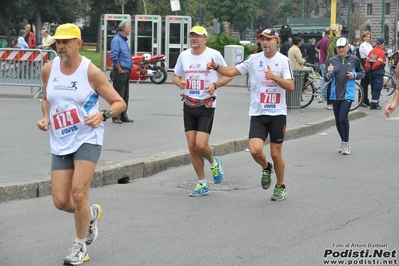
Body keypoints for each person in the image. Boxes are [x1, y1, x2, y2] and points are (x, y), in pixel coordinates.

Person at [36, 23, 126, 265]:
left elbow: (119, 103)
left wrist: (102, 115)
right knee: (61, 201)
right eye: (57, 42)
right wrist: (45, 116)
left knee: (78, 193)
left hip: (88, 137)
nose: (60, 46)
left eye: (65, 42)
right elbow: (47, 99)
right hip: (60, 139)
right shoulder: (48, 69)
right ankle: (91, 213)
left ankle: (80, 247)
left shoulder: (91, 72)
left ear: (78, 43)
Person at [206, 28, 294, 201]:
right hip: (258, 114)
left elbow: (291, 86)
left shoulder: (284, 61)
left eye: (268, 39)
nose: (265, 42)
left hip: (277, 114)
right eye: (262, 39)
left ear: (277, 41)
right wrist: (217, 67)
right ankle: (267, 168)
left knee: (276, 154)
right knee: (254, 151)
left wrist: (275, 78)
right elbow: (231, 71)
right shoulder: (253, 59)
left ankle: (280, 186)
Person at [172, 26, 232, 197]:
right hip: (189, 104)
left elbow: (229, 74)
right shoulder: (184, 56)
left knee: (201, 144)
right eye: (192, 36)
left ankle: (214, 162)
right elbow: (175, 76)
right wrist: (179, 83)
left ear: (205, 38)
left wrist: (215, 85)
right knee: (192, 147)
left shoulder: (214, 55)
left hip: (206, 104)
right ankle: (202, 183)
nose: (194, 38)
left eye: (198, 36)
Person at [325, 37, 365, 155]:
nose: (341, 50)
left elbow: (363, 73)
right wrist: (329, 73)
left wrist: (355, 74)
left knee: (343, 117)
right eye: (339, 48)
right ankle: (343, 141)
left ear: (348, 47)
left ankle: (346, 143)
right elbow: (326, 78)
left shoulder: (354, 59)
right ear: (336, 48)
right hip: (335, 94)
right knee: (337, 120)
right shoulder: (332, 60)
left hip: (348, 93)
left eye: (343, 47)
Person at [109, 21, 134, 124]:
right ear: (124, 29)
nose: (130, 29)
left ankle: (123, 115)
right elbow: (114, 56)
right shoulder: (117, 40)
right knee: (118, 95)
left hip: (125, 71)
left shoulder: (123, 40)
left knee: (125, 95)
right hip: (120, 71)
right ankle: (115, 116)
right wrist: (120, 69)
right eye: (129, 27)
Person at [365, 38, 386, 110]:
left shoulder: (371, 51)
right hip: (378, 72)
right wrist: (373, 68)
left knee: (373, 87)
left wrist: (368, 68)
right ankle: (374, 104)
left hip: (371, 73)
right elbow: (379, 62)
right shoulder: (381, 52)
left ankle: (374, 102)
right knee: (377, 88)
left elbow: (367, 60)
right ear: (382, 44)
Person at [325, 24, 342, 110]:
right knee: (332, 82)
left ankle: (330, 102)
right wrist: (334, 58)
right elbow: (331, 48)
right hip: (332, 61)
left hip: (329, 60)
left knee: (330, 81)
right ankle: (330, 102)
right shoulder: (335, 38)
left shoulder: (332, 37)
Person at [358, 31, 373, 107]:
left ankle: (366, 99)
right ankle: (361, 100)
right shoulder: (363, 45)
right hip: (364, 62)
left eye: (369, 37)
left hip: (368, 62)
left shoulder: (369, 45)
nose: (368, 38)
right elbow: (369, 54)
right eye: (366, 36)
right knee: (363, 82)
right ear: (363, 37)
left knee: (367, 82)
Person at [316, 28, 330, 99]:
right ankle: (324, 94)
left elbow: (316, 48)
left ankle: (323, 93)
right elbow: (329, 51)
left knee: (324, 77)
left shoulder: (322, 40)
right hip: (326, 61)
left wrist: (321, 52)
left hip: (321, 61)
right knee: (326, 78)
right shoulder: (328, 40)